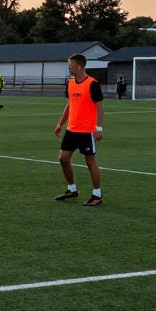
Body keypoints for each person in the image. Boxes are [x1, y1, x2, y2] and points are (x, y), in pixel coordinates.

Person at [54, 53, 105, 207]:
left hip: (87, 131)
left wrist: (99, 129)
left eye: (71, 65)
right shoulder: (70, 83)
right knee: (63, 158)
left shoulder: (92, 84)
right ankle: (72, 190)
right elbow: (70, 105)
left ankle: (97, 194)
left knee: (90, 161)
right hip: (72, 130)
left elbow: (100, 107)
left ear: (80, 66)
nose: (69, 67)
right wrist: (60, 123)